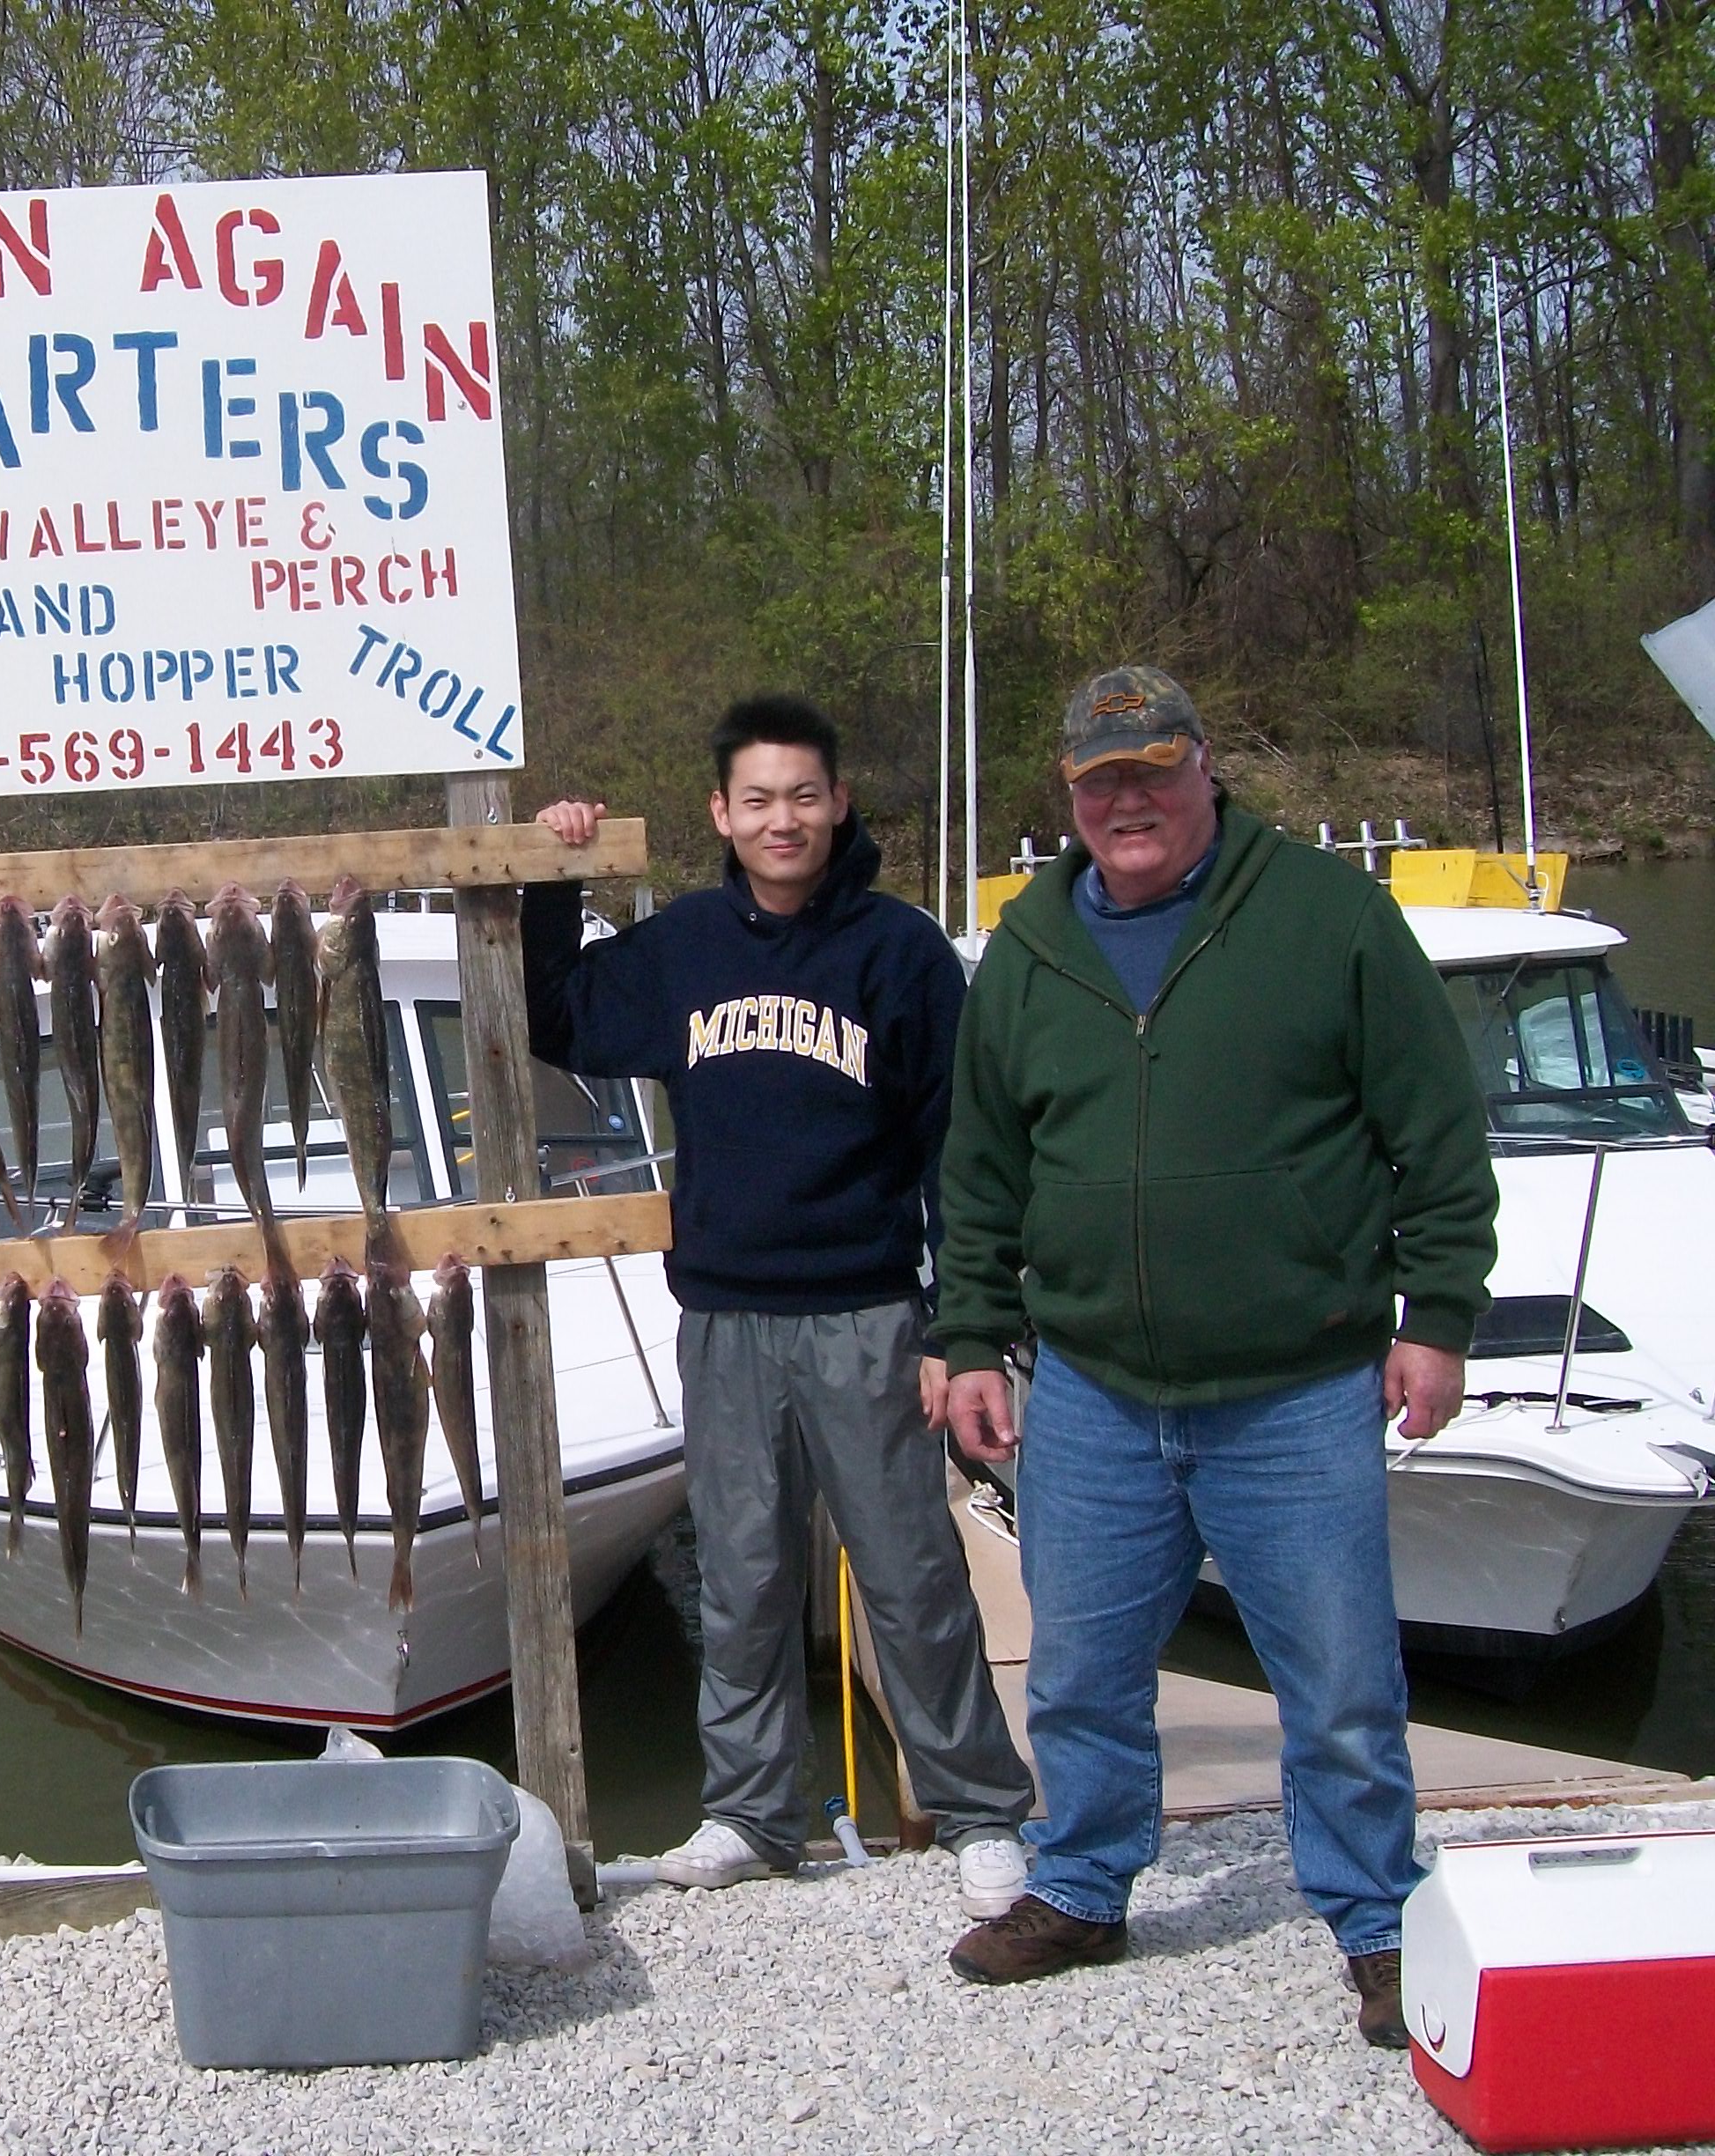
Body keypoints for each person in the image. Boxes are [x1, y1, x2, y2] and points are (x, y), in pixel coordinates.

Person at [933, 668, 1497, 2047]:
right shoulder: (1029, 947)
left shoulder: (1327, 915)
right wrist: (969, 1340)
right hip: (1093, 1387)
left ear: (1206, 773)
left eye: (1154, 771)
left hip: (1298, 1384)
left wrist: (1437, 1315)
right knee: (1076, 1669)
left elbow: (1437, 1129)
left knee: (1343, 1677)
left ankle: (1375, 1913)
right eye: (1100, 781)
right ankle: (1082, 1883)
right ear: (1070, 796)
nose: (1128, 801)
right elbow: (983, 1169)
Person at [527, 695, 1036, 1916]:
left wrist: (960, 1329)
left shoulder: (902, 953)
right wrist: (555, 873)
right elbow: (560, 1017)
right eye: (757, 799)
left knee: (912, 1572)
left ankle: (978, 1811)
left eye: (803, 795)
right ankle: (749, 1813)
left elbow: (958, 1151)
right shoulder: (687, 944)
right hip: (725, 1321)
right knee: (742, 1577)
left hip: (871, 1316)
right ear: (722, 813)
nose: (782, 818)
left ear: (838, 803)